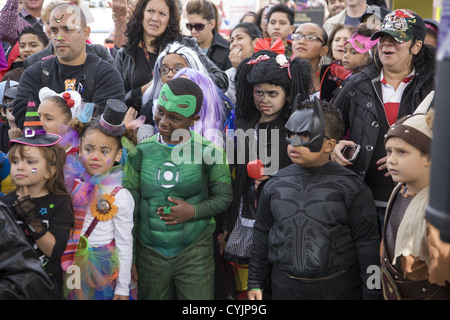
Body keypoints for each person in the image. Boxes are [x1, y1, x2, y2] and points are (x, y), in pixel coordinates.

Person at [247, 98, 381, 300]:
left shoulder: (352, 187)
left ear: (330, 145)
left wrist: (374, 293)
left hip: (339, 289)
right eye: (291, 134)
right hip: (284, 287)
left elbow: (368, 245)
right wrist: (255, 281)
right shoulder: (274, 184)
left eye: (305, 135)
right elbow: (261, 236)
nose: (294, 142)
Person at [124, 77, 233, 300]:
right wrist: (130, 258)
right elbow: (130, 210)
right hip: (149, 252)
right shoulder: (139, 152)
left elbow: (224, 197)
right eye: (160, 112)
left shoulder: (209, 151)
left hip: (195, 252)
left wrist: (193, 211)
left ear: (194, 119)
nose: (163, 122)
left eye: (174, 117)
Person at [331, 9, 436, 235]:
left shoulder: (434, 87)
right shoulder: (357, 83)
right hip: (364, 200)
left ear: (416, 46)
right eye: (383, 38)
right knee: (369, 265)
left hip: (419, 202)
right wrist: (333, 145)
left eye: (396, 39)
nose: (387, 45)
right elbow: (329, 123)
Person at [220, 48, 311, 299]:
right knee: (245, 284)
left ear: (287, 94)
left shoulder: (294, 129)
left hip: (283, 215)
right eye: (259, 92)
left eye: (273, 93)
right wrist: (226, 224)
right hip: (244, 212)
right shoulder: (241, 124)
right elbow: (232, 176)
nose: (264, 99)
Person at [61, 99, 135, 300]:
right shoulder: (71, 183)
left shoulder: (119, 195)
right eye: (89, 149)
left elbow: (125, 243)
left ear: (118, 154)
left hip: (101, 267)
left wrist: (122, 287)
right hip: (70, 260)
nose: (95, 156)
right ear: (79, 148)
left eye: (105, 151)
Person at [0, 98, 73, 299]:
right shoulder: (4, 204)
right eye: (15, 161)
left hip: (45, 289)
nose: (20, 166)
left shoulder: (60, 202)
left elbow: (54, 251)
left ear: (50, 171)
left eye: (30, 161)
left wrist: (28, 212)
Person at [12, 3, 126, 129]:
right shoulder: (34, 73)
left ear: (85, 33)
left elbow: (105, 123)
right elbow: (23, 117)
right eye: (54, 31)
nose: (59, 37)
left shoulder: (106, 74)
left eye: (68, 29)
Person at [381, 94, 450, 299]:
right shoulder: (400, 190)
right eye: (388, 151)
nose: (390, 160)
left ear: (429, 157)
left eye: (402, 152)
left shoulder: (437, 207)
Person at [114, 0, 228, 113]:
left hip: (182, 122)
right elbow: (116, 100)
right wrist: (146, 89)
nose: (155, 18)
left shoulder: (185, 45)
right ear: (141, 14)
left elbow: (221, 81)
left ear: (170, 20)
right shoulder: (125, 54)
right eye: (150, 11)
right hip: (138, 125)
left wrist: (188, 79)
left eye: (162, 14)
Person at [23, 0, 115, 69]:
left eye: (66, 28)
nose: (58, 32)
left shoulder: (99, 53)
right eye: (49, 22)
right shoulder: (33, 61)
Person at [185, 0, 232, 71]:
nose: (193, 31)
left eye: (199, 26)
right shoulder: (184, 46)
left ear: (212, 24)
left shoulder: (227, 50)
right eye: (189, 26)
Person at [225, 22, 262, 105]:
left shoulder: (265, 68)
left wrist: (240, 69)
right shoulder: (227, 74)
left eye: (239, 38)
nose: (234, 43)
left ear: (255, 43)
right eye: (232, 40)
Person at [291, 23, 329, 99]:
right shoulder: (283, 73)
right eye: (297, 36)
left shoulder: (330, 78)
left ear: (323, 51)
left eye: (311, 38)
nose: (301, 41)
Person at [319, 24, 354, 101]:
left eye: (345, 40)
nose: (340, 44)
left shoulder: (361, 73)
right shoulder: (322, 70)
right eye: (336, 40)